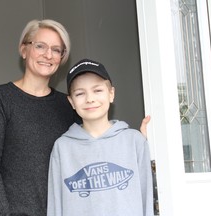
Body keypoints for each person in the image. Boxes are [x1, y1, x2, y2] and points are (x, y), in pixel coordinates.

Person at [0, 19, 150, 216]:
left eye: (56, 49)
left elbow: (95, 147)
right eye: (40, 46)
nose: (48, 54)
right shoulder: (0, 99)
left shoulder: (68, 105)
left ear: (62, 58)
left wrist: (137, 142)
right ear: (24, 50)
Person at [47, 59, 154, 216]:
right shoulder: (62, 147)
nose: (90, 99)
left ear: (111, 94)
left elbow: (147, 197)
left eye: (97, 90)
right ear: (71, 102)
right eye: (80, 93)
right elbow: (56, 205)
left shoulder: (134, 141)